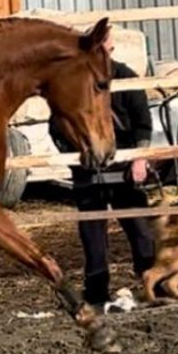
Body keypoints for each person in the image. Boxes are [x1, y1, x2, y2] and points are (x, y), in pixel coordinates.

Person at [49, 51, 156, 313]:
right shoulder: (72, 82)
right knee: (93, 238)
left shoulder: (125, 77)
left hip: (123, 172)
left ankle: (154, 283)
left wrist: (139, 159)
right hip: (89, 175)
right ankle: (96, 291)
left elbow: (143, 123)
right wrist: (75, 153)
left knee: (140, 230)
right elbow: (56, 126)